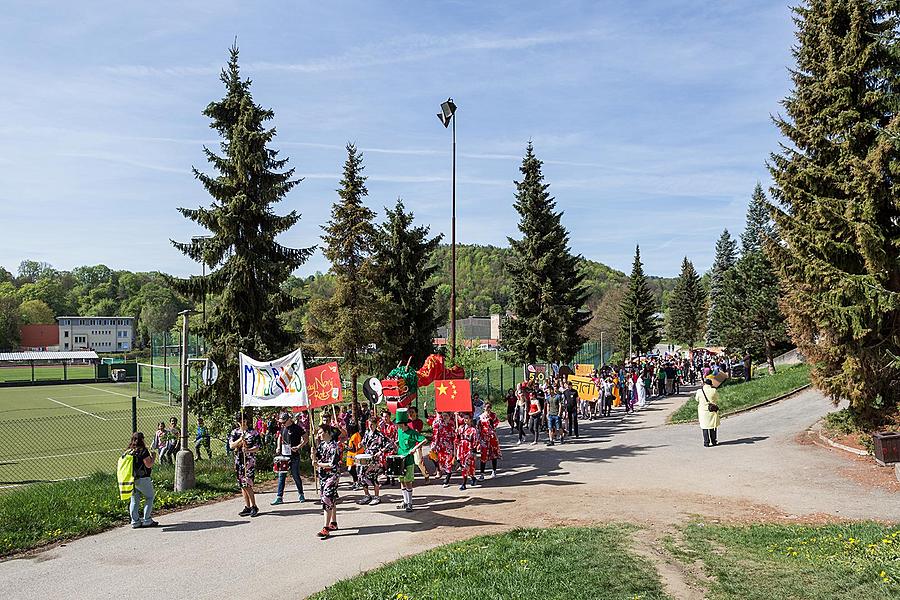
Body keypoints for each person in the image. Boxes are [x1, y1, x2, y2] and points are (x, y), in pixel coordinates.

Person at [393, 408, 428, 512]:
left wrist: (414, 448)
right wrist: (397, 442)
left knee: (408, 481)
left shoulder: (412, 433)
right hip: (400, 458)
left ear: (403, 423)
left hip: (408, 459)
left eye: (398, 423)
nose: (397, 425)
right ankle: (404, 501)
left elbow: (424, 440)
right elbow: (401, 440)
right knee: (402, 481)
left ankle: (410, 503)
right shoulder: (399, 431)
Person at [229, 411, 261, 517]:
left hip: (249, 461)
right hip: (239, 461)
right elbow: (231, 446)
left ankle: (254, 506)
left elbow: (258, 447)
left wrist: (248, 450)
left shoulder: (253, 432)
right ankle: (247, 506)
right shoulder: (235, 432)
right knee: (242, 485)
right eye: (239, 421)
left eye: (243, 420)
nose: (241, 423)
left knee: (247, 484)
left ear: (246, 420)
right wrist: (240, 440)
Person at [271, 412, 307, 505]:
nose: (282, 423)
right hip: (284, 456)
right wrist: (278, 446)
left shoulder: (297, 428)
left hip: (294, 456)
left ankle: (301, 494)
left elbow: (306, 438)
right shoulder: (283, 428)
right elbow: (280, 437)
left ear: (289, 420)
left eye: (284, 422)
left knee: (295, 475)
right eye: (281, 422)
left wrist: (299, 446)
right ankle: (279, 497)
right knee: (281, 476)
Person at [357, 415, 394, 505]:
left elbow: (389, 443)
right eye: (369, 424)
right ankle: (367, 495)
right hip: (366, 457)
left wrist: (380, 451)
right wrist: (360, 444)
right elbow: (363, 442)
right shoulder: (367, 433)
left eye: (372, 425)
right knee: (361, 476)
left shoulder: (379, 435)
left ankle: (377, 496)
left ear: (375, 424)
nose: (370, 426)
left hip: (374, 458)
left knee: (373, 477)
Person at [125, 432, 158, 529]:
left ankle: (135, 521)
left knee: (134, 500)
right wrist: (153, 457)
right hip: (143, 478)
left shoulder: (129, 451)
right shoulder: (143, 451)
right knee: (149, 497)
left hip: (131, 479)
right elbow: (148, 464)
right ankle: (147, 519)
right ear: (142, 439)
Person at [314, 423, 341, 538]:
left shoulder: (334, 446)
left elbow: (331, 464)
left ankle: (326, 527)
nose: (319, 435)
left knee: (327, 499)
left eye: (320, 433)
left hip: (332, 475)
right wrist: (313, 454)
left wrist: (318, 464)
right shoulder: (322, 445)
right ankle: (333, 522)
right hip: (323, 476)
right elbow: (317, 456)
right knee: (331, 498)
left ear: (327, 433)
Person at [697, 372, 727, 447]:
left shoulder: (699, 391)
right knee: (713, 426)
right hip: (712, 410)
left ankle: (706, 442)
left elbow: (697, 399)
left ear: (704, 384)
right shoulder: (713, 390)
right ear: (710, 384)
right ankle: (714, 441)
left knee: (704, 427)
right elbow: (717, 398)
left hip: (703, 411)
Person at [477, 402, 502, 479]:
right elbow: (478, 428)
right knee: (483, 455)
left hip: (492, 437)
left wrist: (491, 422)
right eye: (486, 407)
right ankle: (482, 474)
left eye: (489, 407)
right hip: (484, 438)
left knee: (494, 454)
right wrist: (478, 439)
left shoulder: (493, 415)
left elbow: (496, 423)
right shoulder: (480, 417)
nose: (488, 409)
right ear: (484, 408)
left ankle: (494, 471)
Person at [407, 406, 432, 482]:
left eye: (412, 412)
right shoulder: (406, 422)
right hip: (408, 445)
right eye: (409, 412)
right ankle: (409, 478)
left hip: (417, 444)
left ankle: (426, 475)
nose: (411, 414)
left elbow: (417, 431)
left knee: (419, 462)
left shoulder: (419, 422)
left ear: (416, 413)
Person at [455, 413, 479, 490]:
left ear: (470, 419)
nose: (466, 420)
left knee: (468, 465)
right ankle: (469, 480)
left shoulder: (473, 430)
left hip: (469, 449)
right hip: (461, 448)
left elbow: (475, 441)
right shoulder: (460, 428)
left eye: (467, 418)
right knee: (463, 466)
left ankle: (466, 481)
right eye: (464, 418)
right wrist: (456, 433)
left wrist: (474, 452)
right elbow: (457, 439)